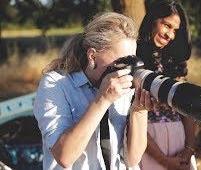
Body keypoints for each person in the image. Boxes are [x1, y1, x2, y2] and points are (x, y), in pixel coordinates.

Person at [33, 12, 159, 170]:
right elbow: (64, 157)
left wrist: (139, 111)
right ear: (92, 56)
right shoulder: (56, 84)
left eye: (131, 59)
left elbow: (132, 159)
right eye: (122, 61)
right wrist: (102, 100)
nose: (127, 68)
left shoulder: (124, 84)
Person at [137, 0, 197, 170]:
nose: (169, 35)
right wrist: (163, 160)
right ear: (152, 20)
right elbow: (129, 118)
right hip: (147, 144)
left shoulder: (174, 62)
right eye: (166, 25)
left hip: (180, 142)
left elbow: (188, 110)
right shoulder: (134, 59)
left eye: (175, 30)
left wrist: (190, 148)